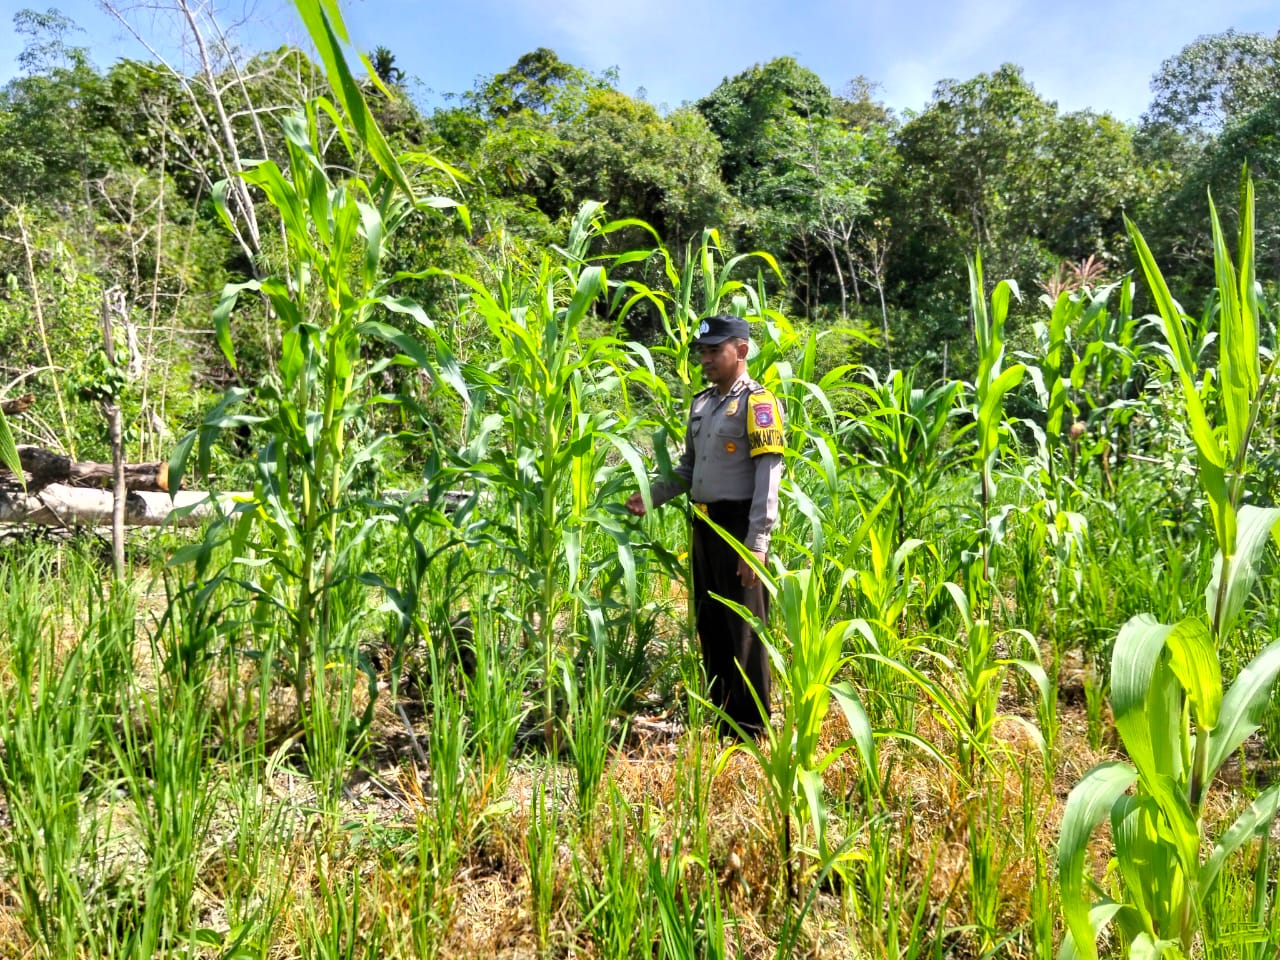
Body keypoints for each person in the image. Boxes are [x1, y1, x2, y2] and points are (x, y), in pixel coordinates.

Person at [626, 314, 785, 737]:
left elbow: (768, 477)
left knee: (745, 629)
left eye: (715, 350)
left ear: (742, 350)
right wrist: (653, 495)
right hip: (704, 525)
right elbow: (689, 468)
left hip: (739, 527)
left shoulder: (759, 403)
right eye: (703, 351)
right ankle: (722, 719)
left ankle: (750, 729)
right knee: (711, 623)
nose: (706, 359)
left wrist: (756, 543)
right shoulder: (703, 403)